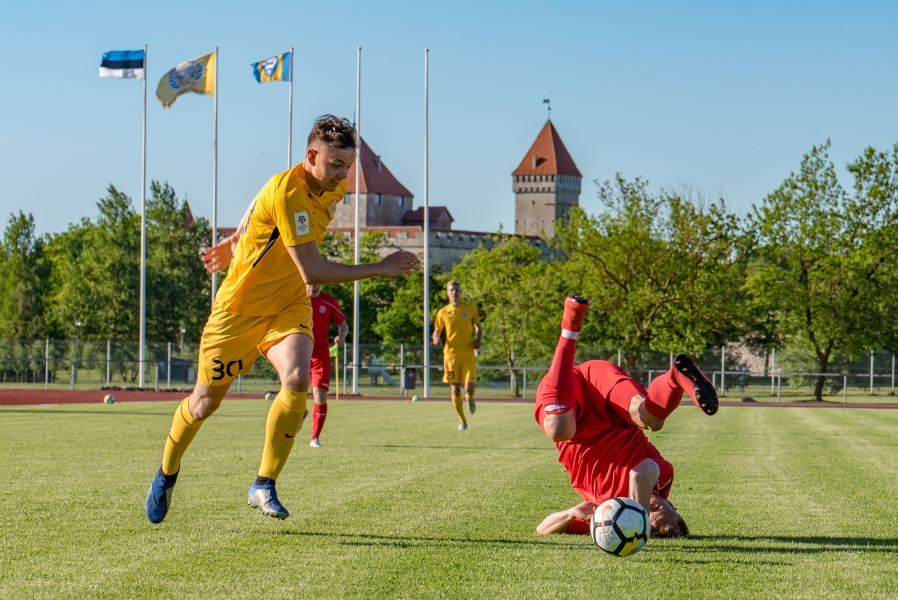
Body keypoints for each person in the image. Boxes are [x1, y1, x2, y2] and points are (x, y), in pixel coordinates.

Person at [145, 115, 420, 523]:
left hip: (288, 304)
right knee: (202, 405)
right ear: (311, 156)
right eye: (335, 166)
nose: (343, 177)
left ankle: (263, 483)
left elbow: (258, 202)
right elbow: (313, 271)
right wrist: (381, 267)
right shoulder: (289, 192)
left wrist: (237, 237)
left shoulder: (332, 186)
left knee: (296, 378)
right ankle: (167, 472)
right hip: (238, 311)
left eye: (348, 166)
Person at [534, 295, 718, 538]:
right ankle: (674, 378)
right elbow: (640, 474)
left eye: (652, 513)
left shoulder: (609, 514)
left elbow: (542, 529)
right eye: (660, 507)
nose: (654, 504)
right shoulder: (661, 479)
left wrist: (572, 513)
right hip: (610, 406)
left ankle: (570, 325)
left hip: (573, 416)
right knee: (650, 419)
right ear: (672, 505)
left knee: (559, 428)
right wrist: (638, 522)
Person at [432, 281, 482, 430]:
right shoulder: (443, 312)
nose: (454, 292)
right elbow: (437, 329)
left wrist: (478, 339)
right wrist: (435, 337)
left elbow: (478, 326)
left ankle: (470, 398)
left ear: (460, 292)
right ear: (447, 292)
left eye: (456, 290)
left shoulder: (470, 309)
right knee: (455, 390)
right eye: (451, 290)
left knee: (469, 388)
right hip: (450, 356)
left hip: (467, 354)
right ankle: (462, 420)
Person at [307, 283, 348, 448]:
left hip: (320, 355)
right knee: (293, 393)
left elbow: (343, 325)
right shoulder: (295, 298)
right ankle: (300, 414)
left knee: (319, 395)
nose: (313, 283)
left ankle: (314, 438)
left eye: (316, 279)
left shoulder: (329, 302)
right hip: (297, 352)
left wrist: (342, 336)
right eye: (309, 279)